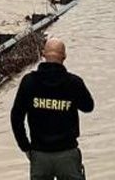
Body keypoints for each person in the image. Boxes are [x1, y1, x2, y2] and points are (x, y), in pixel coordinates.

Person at [10, 38, 94, 180]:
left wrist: (25, 147)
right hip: (67, 154)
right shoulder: (73, 82)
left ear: (43, 54)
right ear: (64, 57)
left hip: (39, 154)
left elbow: (16, 117)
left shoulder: (29, 82)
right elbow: (88, 107)